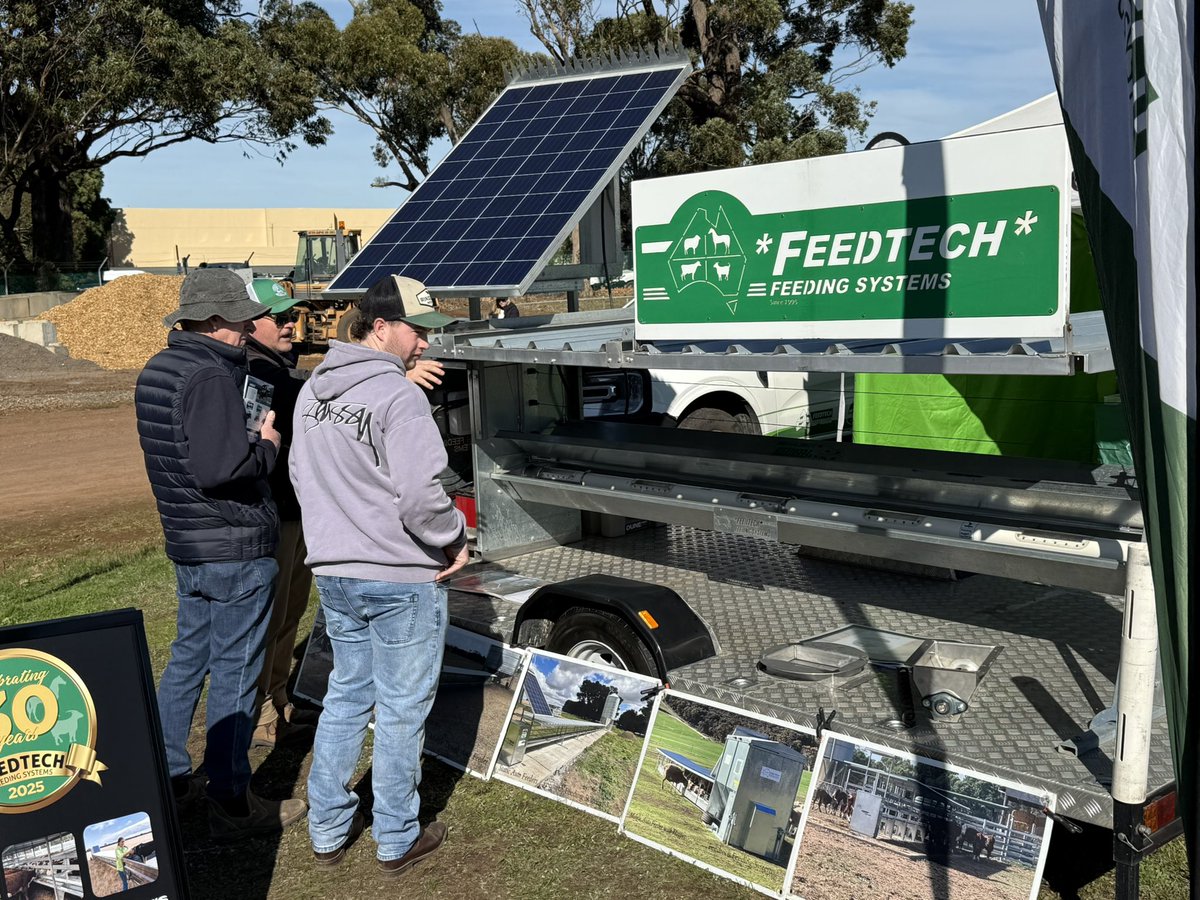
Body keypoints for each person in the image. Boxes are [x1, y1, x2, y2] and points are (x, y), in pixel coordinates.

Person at [290, 274, 468, 875]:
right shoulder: (399, 397)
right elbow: (422, 496)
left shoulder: (312, 391)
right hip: (398, 578)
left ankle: (327, 828)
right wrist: (453, 540)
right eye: (418, 332)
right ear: (381, 326)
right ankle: (396, 837)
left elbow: (300, 475)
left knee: (345, 697)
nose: (424, 345)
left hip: (335, 572)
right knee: (399, 710)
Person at [135, 267, 307, 840]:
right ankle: (231, 796)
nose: (245, 329)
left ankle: (169, 773)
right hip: (232, 543)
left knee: (187, 658)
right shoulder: (209, 376)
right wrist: (268, 447)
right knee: (236, 670)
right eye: (237, 320)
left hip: (191, 542)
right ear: (211, 320)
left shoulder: (160, 369)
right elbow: (220, 469)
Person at [244, 279, 316, 748]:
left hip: (296, 507)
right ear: (250, 323)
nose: (291, 323)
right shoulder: (254, 372)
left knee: (291, 610)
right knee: (269, 616)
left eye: (292, 315)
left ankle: (278, 692)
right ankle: (259, 710)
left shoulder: (282, 369)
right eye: (280, 317)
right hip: (272, 512)